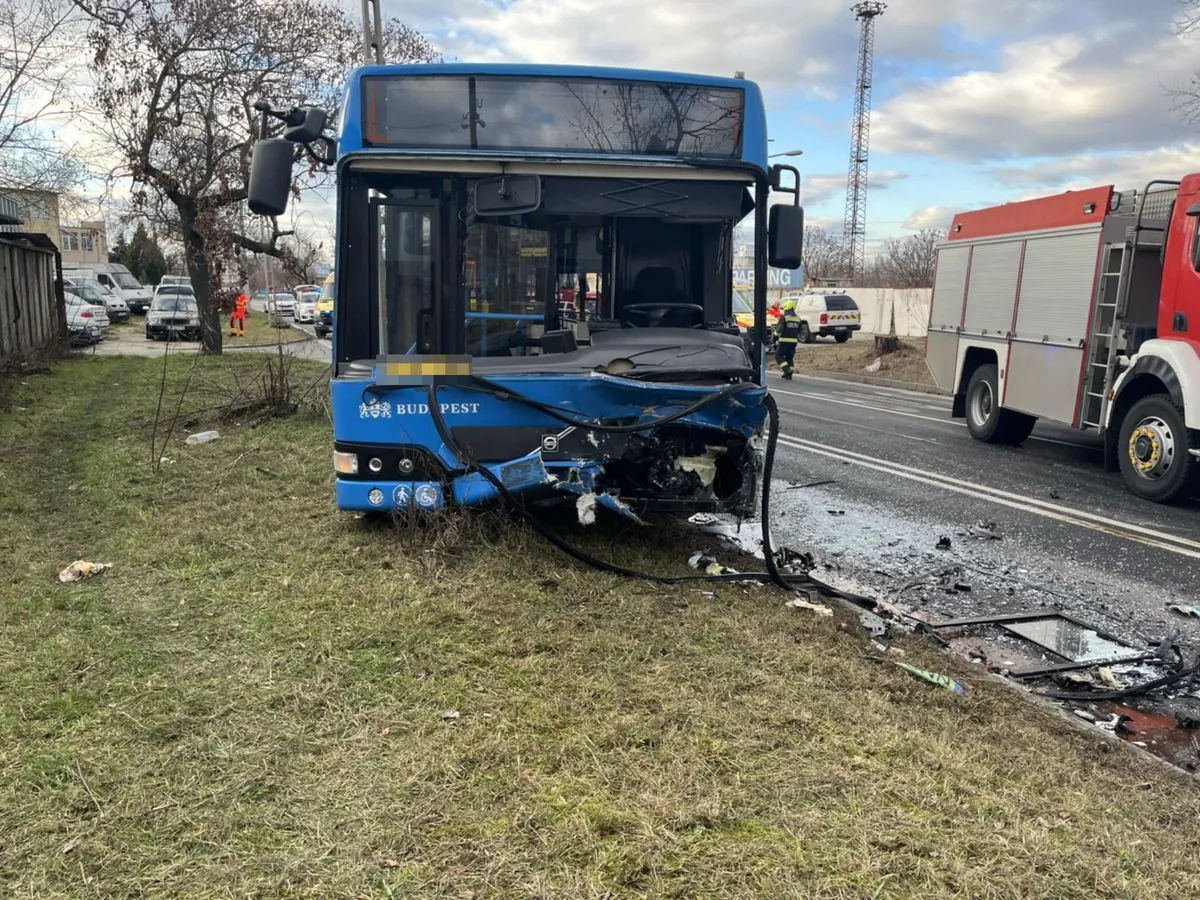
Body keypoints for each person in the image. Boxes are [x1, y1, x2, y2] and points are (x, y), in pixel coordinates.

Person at [775, 299, 803, 380]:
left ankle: (787, 370)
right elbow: (800, 331)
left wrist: (775, 335)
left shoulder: (784, 317)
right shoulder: (798, 318)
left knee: (778, 356)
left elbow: (779, 329)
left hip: (784, 341)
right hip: (794, 342)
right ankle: (788, 374)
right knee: (789, 358)